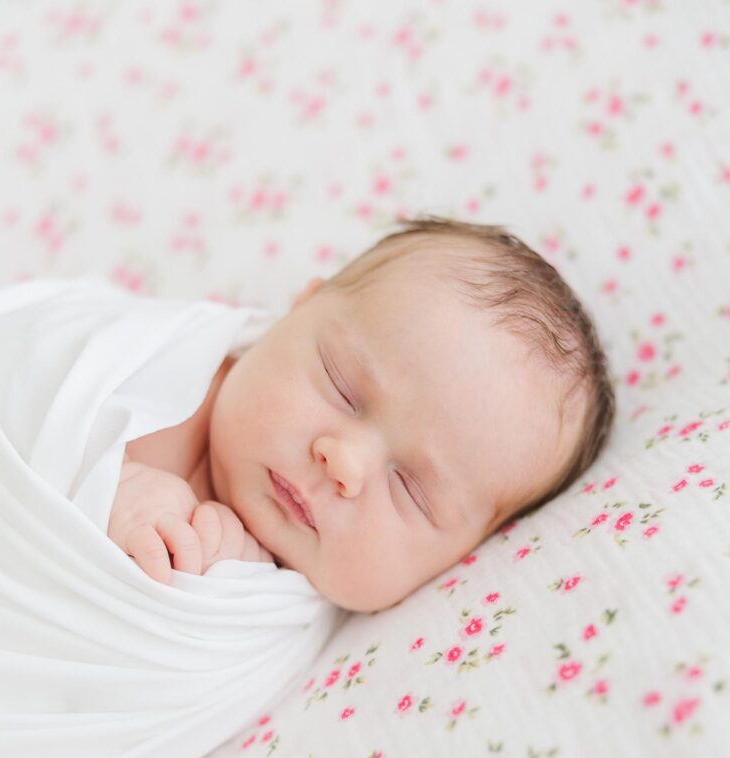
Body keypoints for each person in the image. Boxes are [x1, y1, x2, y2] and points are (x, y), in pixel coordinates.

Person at [108, 216, 615, 614]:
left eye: (411, 492)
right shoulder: (154, 376)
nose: (343, 464)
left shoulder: (285, 625)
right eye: (341, 385)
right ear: (296, 312)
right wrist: (110, 488)